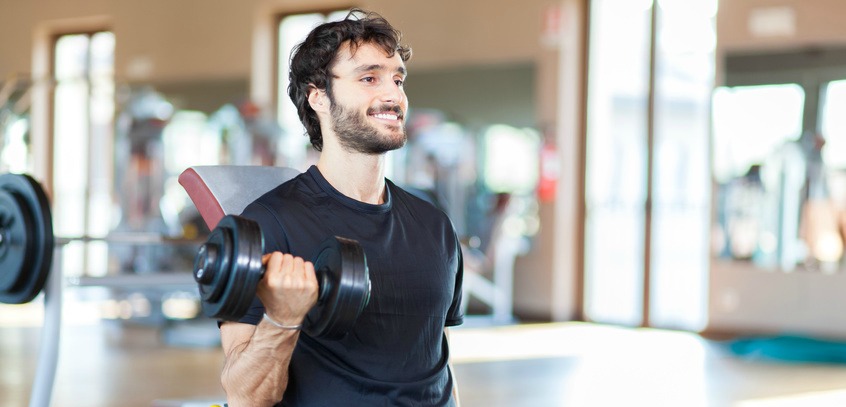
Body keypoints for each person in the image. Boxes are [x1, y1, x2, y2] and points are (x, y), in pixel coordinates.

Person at [219, 9, 464, 406]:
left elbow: (441, 365)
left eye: (397, 79)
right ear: (318, 96)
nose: (393, 95)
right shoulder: (267, 224)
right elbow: (246, 396)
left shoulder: (434, 226)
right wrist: (282, 317)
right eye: (369, 78)